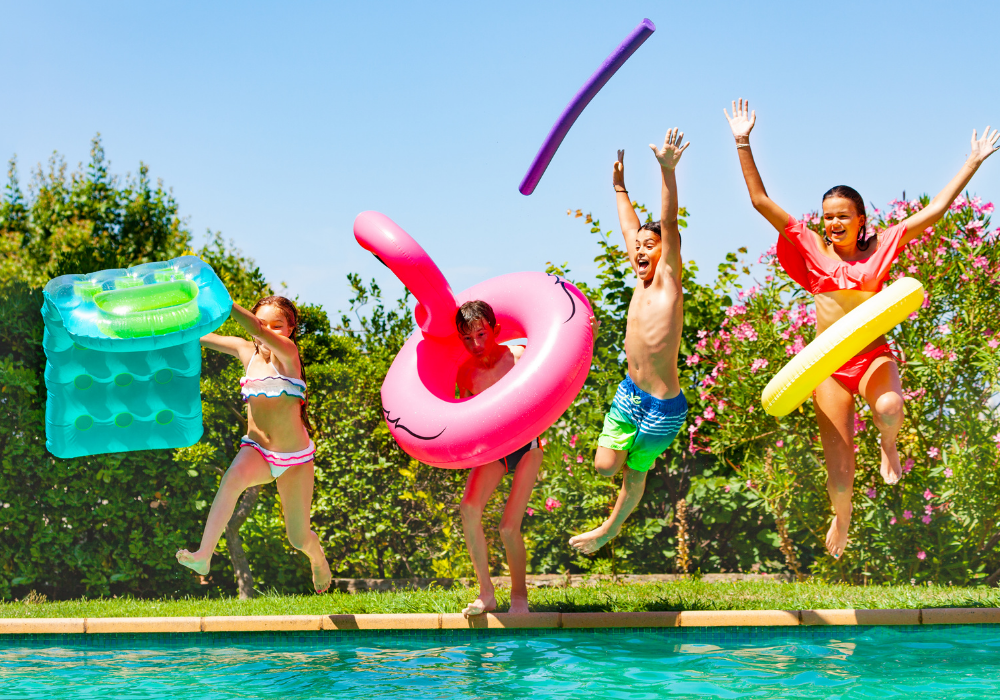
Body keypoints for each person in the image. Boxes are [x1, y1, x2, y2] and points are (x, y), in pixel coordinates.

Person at [724, 97, 999, 557]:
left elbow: (934, 213)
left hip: (872, 356)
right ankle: (843, 518)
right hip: (828, 367)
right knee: (839, 468)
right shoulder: (810, 246)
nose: (833, 223)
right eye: (828, 216)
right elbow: (759, 200)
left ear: (860, 220)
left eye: (842, 216)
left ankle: (888, 445)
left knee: (890, 407)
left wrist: (971, 162)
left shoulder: (882, 246)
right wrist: (742, 140)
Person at [569, 129, 691, 555]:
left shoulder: (667, 283)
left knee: (634, 476)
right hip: (630, 394)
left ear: (666, 253)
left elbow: (669, 223)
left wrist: (666, 171)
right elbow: (628, 225)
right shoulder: (640, 278)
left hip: (663, 407)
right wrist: (620, 188)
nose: (638, 249)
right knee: (605, 467)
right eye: (636, 246)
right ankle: (611, 521)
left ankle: (609, 529)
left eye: (648, 245)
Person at [176, 295, 332, 593]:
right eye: (264, 323)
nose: (270, 331)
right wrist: (167, 326)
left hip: (295, 458)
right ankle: (203, 556)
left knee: (298, 538)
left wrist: (225, 302)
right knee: (231, 479)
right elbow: (199, 336)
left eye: (278, 325)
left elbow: (258, 329)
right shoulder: (245, 351)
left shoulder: (288, 353)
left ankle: (317, 558)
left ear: (290, 329)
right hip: (257, 451)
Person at [455, 300, 599, 616]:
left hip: (526, 448)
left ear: (494, 329)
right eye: (467, 338)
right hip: (494, 451)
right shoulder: (466, 374)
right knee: (468, 509)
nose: (476, 344)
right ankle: (486, 593)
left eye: (481, 334)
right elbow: (464, 420)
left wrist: (590, 336)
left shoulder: (518, 356)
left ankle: (519, 596)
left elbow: (560, 365)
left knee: (508, 527)